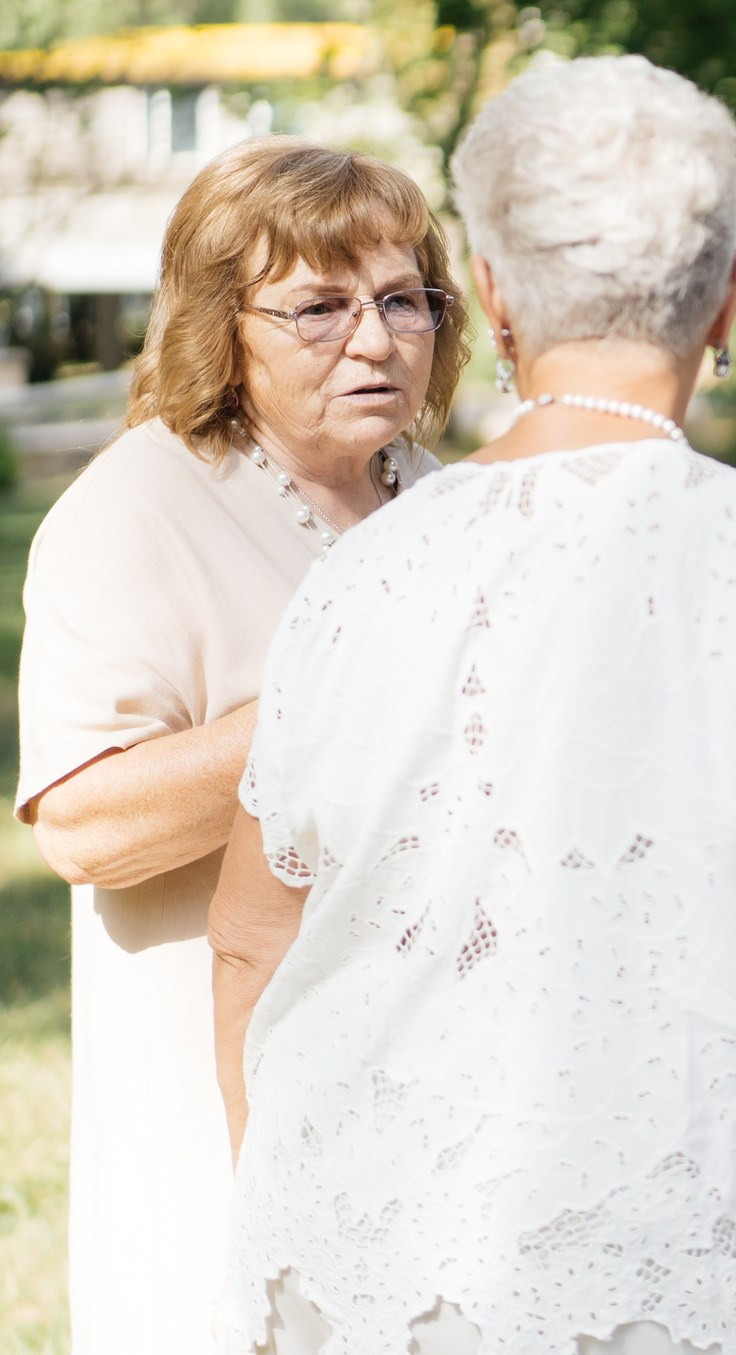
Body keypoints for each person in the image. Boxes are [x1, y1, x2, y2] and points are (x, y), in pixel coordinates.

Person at [204, 56, 736, 1355]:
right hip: (638, 1272)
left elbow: (253, 938)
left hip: (337, 1254)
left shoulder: (362, 564)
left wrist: (295, 1208)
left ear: (489, 296)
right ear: (730, 295)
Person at [15, 137, 465, 1353]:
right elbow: (83, 827)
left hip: (438, 1094)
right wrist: (338, 699)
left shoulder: (434, 492)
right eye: (319, 307)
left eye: (402, 298)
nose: (375, 340)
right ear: (223, 325)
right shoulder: (134, 510)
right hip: (227, 1103)